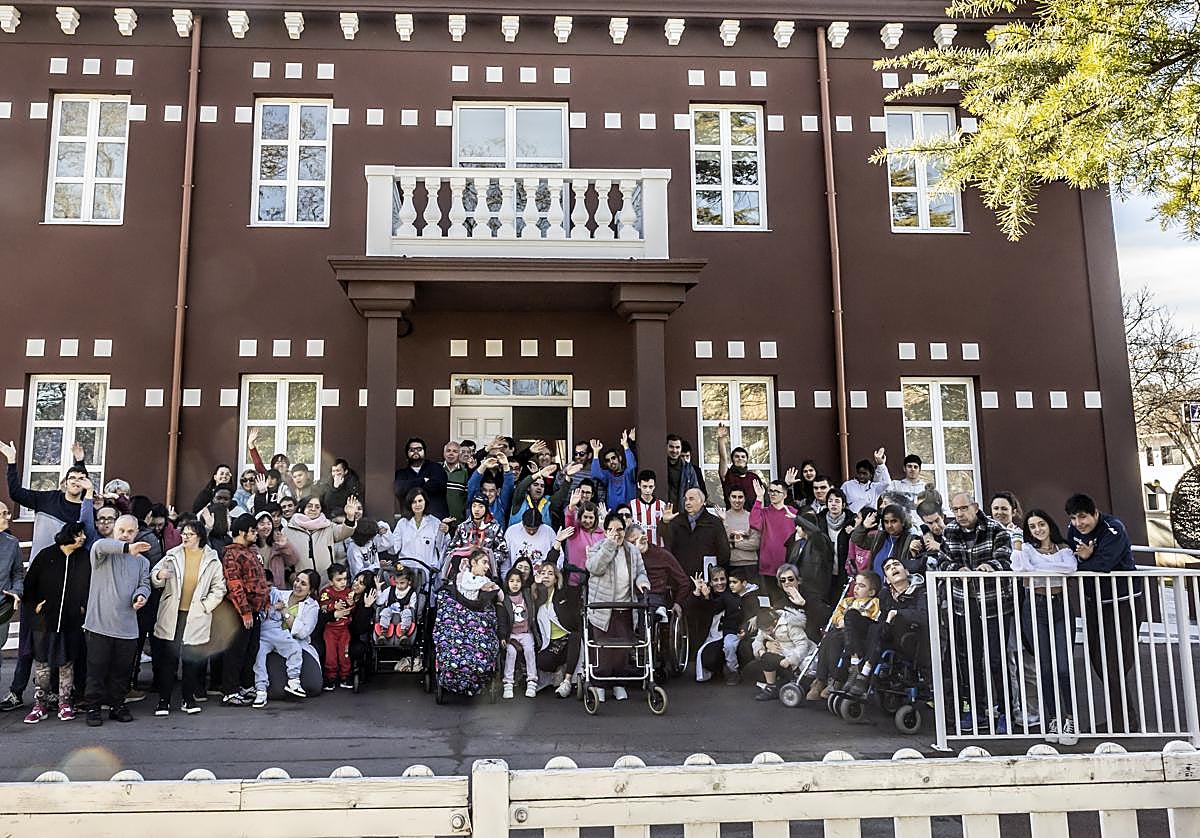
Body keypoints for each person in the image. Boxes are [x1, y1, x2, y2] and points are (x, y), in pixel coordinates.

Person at [0, 439, 88, 713]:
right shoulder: (46, 499)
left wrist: (81, 463)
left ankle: (55, 696)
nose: (75, 481)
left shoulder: (84, 512)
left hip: (65, 586)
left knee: (61, 643)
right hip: (37, 582)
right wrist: (12, 461)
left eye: (80, 479)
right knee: (29, 642)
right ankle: (16, 692)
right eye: (71, 478)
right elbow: (15, 492)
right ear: (62, 484)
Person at [1066, 493, 1144, 734]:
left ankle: (1123, 721)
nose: (1079, 523)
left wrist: (1086, 559)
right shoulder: (1073, 531)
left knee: (1116, 661)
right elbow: (1069, 558)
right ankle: (1121, 718)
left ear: (1095, 513)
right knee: (1098, 660)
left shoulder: (1113, 529)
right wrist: (1081, 561)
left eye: (1083, 517)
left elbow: (1103, 565)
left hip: (1121, 602)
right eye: (1073, 518)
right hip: (1094, 602)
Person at [939, 492, 1013, 731]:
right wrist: (956, 569)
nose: (959, 514)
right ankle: (977, 711)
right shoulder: (950, 530)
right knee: (969, 660)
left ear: (975, 506)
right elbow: (941, 559)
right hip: (963, 604)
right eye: (955, 509)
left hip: (993, 604)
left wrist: (989, 566)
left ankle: (1005, 711)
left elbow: (1005, 558)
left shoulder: (996, 529)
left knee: (995, 659)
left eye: (963, 508)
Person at [1011, 509, 1078, 745]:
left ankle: (1070, 718)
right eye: (1032, 527)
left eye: (1041, 524)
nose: (1038, 530)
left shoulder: (1063, 548)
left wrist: (1036, 569)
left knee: (1063, 666)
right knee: (1045, 667)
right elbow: (1019, 569)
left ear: (1049, 524)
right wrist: (1018, 545)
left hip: (1060, 605)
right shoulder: (1027, 549)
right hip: (1035, 606)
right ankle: (1052, 718)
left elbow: (1070, 569)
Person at [150, 520, 227, 717]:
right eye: (183, 533)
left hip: (196, 615)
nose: (185, 537)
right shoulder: (173, 555)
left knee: (191, 661)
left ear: (200, 536)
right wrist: (160, 574)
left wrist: (205, 607)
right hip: (173, 613)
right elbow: (154, 576)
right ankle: (163, 701)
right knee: (169, 660)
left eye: (190, 534)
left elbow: (219, 588)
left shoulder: (211, 558)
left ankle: (188, 699)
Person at [82, 515, 152, 725]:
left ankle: (117, 705)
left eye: (130, 532)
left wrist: (141, 596)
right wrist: (126, 549)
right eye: (121, 530)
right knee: (96, 670)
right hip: (99, 625)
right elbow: (100, 545)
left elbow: (145, 584)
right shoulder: (102, 552)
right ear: (113, 529)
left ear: (137, 532)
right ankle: (93, 707)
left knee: (122, 672)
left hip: (127, 627)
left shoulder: (143, 561)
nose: (125, 535)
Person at [21, 522, 91, 724]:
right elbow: (30, 583)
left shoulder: (84, 558)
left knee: (67, 662)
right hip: (44, 622)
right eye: (79, 534)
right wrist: (35, 606)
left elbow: (90, 585)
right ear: (68, 535)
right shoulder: (46, 555)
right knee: (42, 665)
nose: (83, 537)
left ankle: (65, 703)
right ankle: (39, 704)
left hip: (71, 621)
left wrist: (83, 606)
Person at [585, 513, 651, 702]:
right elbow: (595, 568)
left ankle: (619, 683)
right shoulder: (597, 548)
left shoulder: (632, 551)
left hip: (625, 605)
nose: (617, 533)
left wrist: (642, 582)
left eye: (620, 529)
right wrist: (610, 545)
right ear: (605, 531)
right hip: (602, 606)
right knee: (603, 648)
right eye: (612, 530)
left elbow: (640, 572)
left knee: (622, 647)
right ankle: (600, 685)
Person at [219, 514, 270, 706]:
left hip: (255, 610)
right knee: (236, 651)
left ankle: (245, 685)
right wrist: (245, 611)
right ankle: (230, 690)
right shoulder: (232, 554)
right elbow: (235, 585)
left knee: (251, 650)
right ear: (242, 532)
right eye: (253, 530)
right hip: (239, 611)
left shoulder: (250, 551)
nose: (256, 534)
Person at [810, 571, 882, 699]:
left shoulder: (874, 602)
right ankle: (820, 679)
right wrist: (840, 620)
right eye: (856, 584)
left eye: (862, 586)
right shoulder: (847, 601)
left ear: (871, 592)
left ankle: (835, 678)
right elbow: (836, 615)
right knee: (828, 637)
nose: (857, 588)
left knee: (836, 638)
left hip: (858, 634)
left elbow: (873, 618)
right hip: (841, 629)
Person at [252, 569, 319, 707]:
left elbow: (302, 633)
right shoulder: (279, 594)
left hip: (294, 644)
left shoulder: (312, 606)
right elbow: (262, 606)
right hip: (268, 641)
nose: (298, 585)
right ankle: (261, 689)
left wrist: (284, 613)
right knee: (275, 689)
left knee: (313, 686)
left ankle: (293, 682)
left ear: (310, 590)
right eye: (297, 580)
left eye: (303, 584)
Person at [533, 559, 584, 698]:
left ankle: (567, 681)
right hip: (551, 643)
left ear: (556, 578)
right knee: (542, 660)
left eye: (550, 574)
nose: (546, 576)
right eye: (543, 573)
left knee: (575, 636)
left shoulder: (564, 593)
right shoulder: (535, 596)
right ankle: (558, 670)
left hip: (568, 639)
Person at [283, 495, 360, 580]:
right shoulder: (288, 530)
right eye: (309, 506)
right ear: (302, 508)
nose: (313, 509)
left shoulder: (328, 526)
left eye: (317, 507)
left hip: (325, 578)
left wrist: (350, 517)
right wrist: (290, 574)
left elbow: (345, 532)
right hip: (301, 581)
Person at [692, 565, 743, 686]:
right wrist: (698, 592)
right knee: (709, 659)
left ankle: (733, 670)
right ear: (710, 582)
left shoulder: (732, 594)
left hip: (730, 633)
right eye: (715, 580)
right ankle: (717, 669)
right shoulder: (707, 593)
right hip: (711, 636)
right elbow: (693, 610)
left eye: (722, 579)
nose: (719, 583)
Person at [751, 605, 814, 702]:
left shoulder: (790, 624)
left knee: (768, 659)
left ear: (775, 622)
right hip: (780, 656)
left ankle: (774, 686)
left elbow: (802, 645)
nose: (767, 633)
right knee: (753, 669)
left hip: (799, 661)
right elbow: (757, 640)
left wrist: (790, 660)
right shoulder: (765, 624)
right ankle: (773, 685)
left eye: (768, 630)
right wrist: (760, 650)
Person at [750, 481, 798, 599]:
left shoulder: (793, 512)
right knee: (772, 604)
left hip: (789, 566)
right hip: (769, 566)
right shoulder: (765, 512)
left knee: (790, 602)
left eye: (777, 491)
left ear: (785, 495)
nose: (773, 494)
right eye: (771, 491)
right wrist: (759, 498)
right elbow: (753, 522)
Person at [446, 494, 509, 580]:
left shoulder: (495, 527)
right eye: (474, 506)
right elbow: (451, 549)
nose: (476, 509)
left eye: (481, 506)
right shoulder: (463, 527)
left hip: (486, 571)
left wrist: (487, 560)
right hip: (462, 569)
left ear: (486, 508)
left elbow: (502, 551)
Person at [499, 568, 540, 699]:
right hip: (511, 635)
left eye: (518, 581)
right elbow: (502, 620)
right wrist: (502, 636)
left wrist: (537, 582)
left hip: (526, 632)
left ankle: (532, 681)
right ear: (507, 582)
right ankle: (508, 683)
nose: (515, 584)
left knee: (529, 651)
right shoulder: (504, 598)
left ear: (522, 583)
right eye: (511, 581)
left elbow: (535, 588)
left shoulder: (526, 594)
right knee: (511, 653)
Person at [851, 505, 922, 578]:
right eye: (886, 522)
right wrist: (864, 526)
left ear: (902, 522)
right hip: (877, 586)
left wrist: (913, 552)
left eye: (893, 521)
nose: (889, 525)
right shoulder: (879, 537)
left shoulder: (910, 540)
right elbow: (857, 540)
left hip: (898, 586)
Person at [391, 486, 449, 572]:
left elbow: (442, 546)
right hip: (405, 571)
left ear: (425, 502)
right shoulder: (402, 523)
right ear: (410, 504)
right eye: (414, 502)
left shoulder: (435, 522)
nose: (417, 504)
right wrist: (385, 534)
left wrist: (445, 532)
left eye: (420, 501)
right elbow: (394, 548)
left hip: (427, 569)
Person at [0, 502, 24, 704]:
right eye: (3, 514)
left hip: (2, 608)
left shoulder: (11, 543)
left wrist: (16, 591)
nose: (8, 517)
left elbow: (17, 573)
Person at [318, 563, 355, 690]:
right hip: (330, 629)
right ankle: (330, 677)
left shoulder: (349, 592)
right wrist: (333, 607)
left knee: (344, 653)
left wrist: (352, 604)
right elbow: (322, 608)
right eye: (339, 580)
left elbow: (353, 611)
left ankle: (345, 676)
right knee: (331, 654)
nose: (343, 582)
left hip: (344, 629)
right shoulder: (326, 592)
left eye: (345, 579)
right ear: (331, 581)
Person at [394, 437, 449, 519]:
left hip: (435, 518)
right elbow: (399, 489)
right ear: (407, 453)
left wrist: (410, 487)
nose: (416, 452)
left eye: (419, 449)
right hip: (410, 520)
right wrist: (423, 480)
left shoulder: (436, 468)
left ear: (424, 451)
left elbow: (438, 486)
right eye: (412, 450)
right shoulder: (401, 473)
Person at [716, 424, 763, 509]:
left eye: (743, 456)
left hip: (752, 518)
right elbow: (723, 458)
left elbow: (762, 499)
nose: (740, 459)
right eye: (737, 456)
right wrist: (721, 440)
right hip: (733, 518)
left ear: (746, 459)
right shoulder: (727, 475)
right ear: (732, 460)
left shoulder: (754, 477)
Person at [589, 430, 638, 509]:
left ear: (620, 458)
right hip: (612, 515)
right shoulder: (608, 475)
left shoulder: (628, 474)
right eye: (608, 460)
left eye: (613, 458)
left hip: (628, 513)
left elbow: (632, 466)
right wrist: (596, 452)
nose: (611, 462)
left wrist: (625, 445)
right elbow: (595, 473)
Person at [723, 487, 762, 585]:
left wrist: (733, 543)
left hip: (751, 565)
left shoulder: (751, 517)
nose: (737, 500)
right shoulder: (723, 517)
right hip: (730, 564)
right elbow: (723, 542)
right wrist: (745, 538)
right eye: (734, 497)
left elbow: (755, 543)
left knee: (751, 596)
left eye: (740, 497)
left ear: (745, 499)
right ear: (729, 498)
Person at [505, 508, 557, 575]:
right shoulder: (511, 531)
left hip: (541, 577)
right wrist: (506, 576)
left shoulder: (549, 531)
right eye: (528, 529)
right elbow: (506, 558)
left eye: (535, 529)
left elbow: (558, 556)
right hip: (517, 578)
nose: (531, 532)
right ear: (523, 524)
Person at [254, 509, 298, 588]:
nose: (266, 527)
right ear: (256, 527)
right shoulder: (251, 548)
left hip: (278, 588)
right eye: (262, 524)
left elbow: (292, 561)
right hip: (258, 589)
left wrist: (285, 546)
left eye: (268, 523)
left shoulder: (277, 545)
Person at [840, 449, 890, 514]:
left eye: (864, 473)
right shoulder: (847, 485)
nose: (861, 476)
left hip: (870, 519)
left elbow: (887, 482)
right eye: (859, 473)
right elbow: (840, 500)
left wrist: (881, 465)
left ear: (871, 475)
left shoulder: (874, 487)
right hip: (853, 520)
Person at [665, 434, 706, 508]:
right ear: (666, 447)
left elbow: (695, 490)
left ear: (681, 449)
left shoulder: (688, 468)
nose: (674, 450)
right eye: (671, 447)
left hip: (683, 512)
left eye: (677, 447)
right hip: (664, 510)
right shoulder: (660, 465)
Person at [376, 565, 417, 638]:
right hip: (390, 610)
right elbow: (379, 602)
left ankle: (403, 632)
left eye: (402, 583)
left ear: (409, 582)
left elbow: (412, 607)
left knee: (408, 612)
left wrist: (409, 607)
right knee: (385, 611)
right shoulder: (390, 589)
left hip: (403, 613)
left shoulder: (412, 593)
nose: (399, 586)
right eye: (397, 583)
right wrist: (378, 589)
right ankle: (384, 631)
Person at [630, 470, 668, 547]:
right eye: (644, 486)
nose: (647, 490)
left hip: (657, 548)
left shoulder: (662, 505)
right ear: (638, 485)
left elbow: (667, 531)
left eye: (650, 487)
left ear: (654, 486)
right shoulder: (632, 505)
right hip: (638, 549)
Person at [443, 441, 470, 527]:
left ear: (459, 454)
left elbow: (466, 498)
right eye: (448, 451)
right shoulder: (436, 469)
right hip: (438, 521)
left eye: (455, 451)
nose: (451, 453)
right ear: (444, 453)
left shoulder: (465, 473)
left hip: (458, 523)